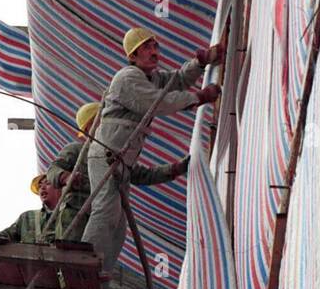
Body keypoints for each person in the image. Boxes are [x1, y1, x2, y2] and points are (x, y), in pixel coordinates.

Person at [83, 27, 224, 270]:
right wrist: (198, 98)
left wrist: (199, 63)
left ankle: (99, 273)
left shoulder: (148, 78)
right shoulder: (128, 78)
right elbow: (157, 102)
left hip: (119, 161)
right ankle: (83, 266)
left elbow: (176, 81)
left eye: (154, 46)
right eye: (146, 48)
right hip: (107, 156)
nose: (153, 51)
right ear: (133, 56)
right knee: (106, 212)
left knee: (117, 226)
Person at [44, 100, 190, 243]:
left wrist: (174, 169)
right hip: (78, 213)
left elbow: (141, 175)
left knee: (101, 258)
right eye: (104, 121)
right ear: (90, 128)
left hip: (109, 215)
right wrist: (65, 177)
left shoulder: (115, 154)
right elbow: (53, 170)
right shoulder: (77, 150)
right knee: (76, 254)